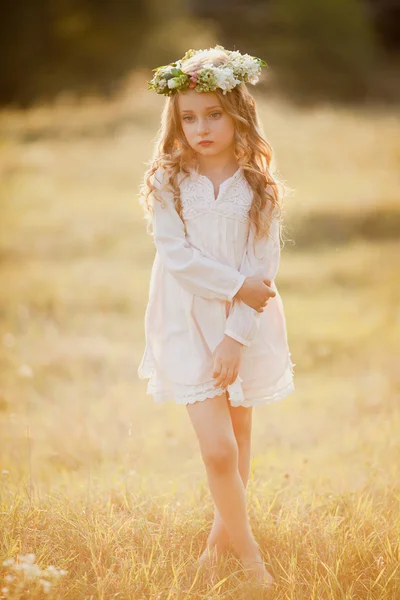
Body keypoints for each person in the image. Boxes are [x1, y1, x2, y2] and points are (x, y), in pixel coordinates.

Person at [137, 45, 295, 588]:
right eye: (188, 117)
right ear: (175, 121)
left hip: (244, 326)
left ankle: (215, 547)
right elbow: (176, 257)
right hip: (184, 320)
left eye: (213, 114)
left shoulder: (259, 187)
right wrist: (235, 287)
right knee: (218, 447)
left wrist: (235, 335)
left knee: (241, 435)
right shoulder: (167, 181)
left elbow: (262, 272)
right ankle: (251, 561)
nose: (200, 127)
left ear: (237, 111)